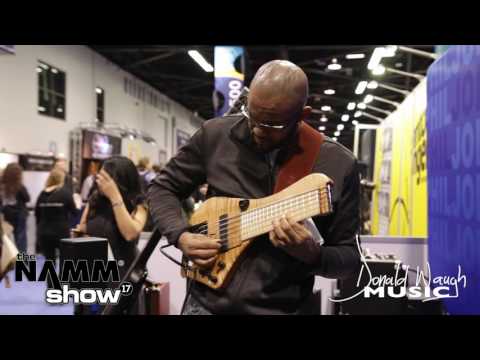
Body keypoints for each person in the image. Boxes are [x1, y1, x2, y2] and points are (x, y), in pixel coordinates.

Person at [147, 60, 361, 315]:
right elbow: (162, 188)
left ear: (302, 115)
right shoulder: (215, 135)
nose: (257, 130)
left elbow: (349, 260)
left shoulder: (337, 163)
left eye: (271, 124)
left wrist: (313, 255)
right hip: (204, 304)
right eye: (251, 115)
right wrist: (180, 235)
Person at [73, 156, 148, 314]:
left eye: (106, 178)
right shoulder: (95, 201)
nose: (99, 181)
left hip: (123, 274)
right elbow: (82, 228)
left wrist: (115, 196)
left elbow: (130, 233)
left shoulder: (138, 204)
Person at [35, 168, 78, 289]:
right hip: (61, 232)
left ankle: (51, 288)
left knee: (49, 261)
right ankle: (62, 289)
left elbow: (37, 215)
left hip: (44, 232)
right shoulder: (65, 193)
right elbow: (74, 212)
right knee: (65, 261)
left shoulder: (41, 194)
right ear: (61, 179)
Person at [0, 163, 30, 254]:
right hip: (20, 215)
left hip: (6, 215)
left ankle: (7, 263)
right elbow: (27, 198)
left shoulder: (2, 185)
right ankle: (23, 265)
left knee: (6, 242)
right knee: (21, 243)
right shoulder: (20, 186)